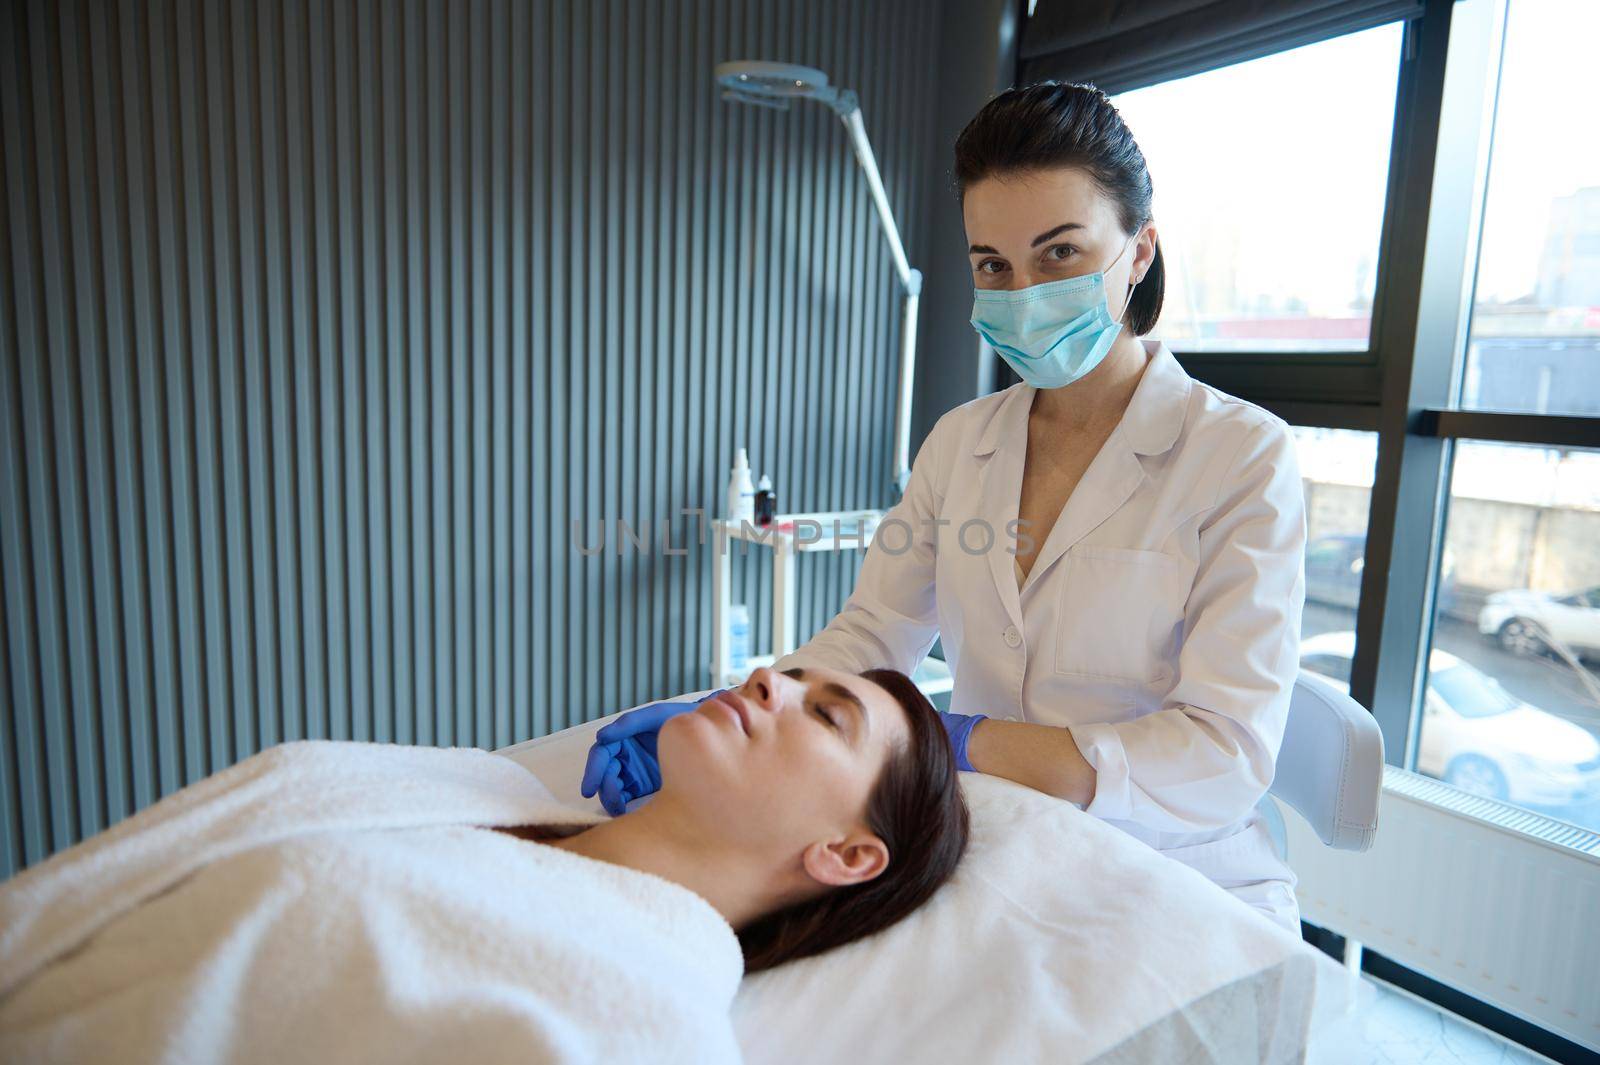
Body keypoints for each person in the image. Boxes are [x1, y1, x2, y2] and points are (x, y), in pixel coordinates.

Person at [589, 82, 1307, 934]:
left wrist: (967, 740)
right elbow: (871, 633)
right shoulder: (961, 442)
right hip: (1001, 842)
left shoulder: (1240, 455)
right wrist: (738, 706)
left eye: (1061, 254)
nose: (1023, 291)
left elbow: (1222, 756)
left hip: (1177, 871)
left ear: (1140, 251)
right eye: (993, 265)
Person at [0, 666, 967, 1064]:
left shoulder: (645, 1017)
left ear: (846, 853)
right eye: (790, 671)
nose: (772, 679)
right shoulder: (476, 787)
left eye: (824, 712)